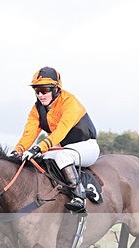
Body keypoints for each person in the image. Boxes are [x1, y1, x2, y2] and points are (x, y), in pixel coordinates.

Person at [11, 67, 99, 213]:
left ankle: (79, 196)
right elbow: (29, 133)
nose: (40, 95)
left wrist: (38, 147)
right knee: (39, 159)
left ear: (56, 89)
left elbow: (61, 131)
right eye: (37, 90)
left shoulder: (70, 102)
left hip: (86, 146)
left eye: (44, 90)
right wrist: (18, 150)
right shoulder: (37, 109)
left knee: (63, 157)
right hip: (64, 148)